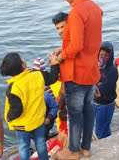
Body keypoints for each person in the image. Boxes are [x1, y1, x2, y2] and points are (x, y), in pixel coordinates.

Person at [53, 0, 102, 159]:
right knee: (88, 109)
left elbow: (75, 47)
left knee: (74, 113)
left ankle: (73, 151)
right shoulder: (95, 8)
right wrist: (62, 49)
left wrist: (59, 57)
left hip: (76, 73)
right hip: (91, 69)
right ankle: (86, 147)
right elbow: (88, 40)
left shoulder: (75, 13)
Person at [0, 52, 59, 160]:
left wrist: (9, 118)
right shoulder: (38, 75)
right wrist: (54, 64)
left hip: (22, 125)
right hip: (38, 119)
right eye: (22, 59)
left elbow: (16, 111)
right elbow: (53, 78)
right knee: (40, 143)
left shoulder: (13, 88)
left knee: (24, 146)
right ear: (23, 65)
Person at [51, 12, 69, 147]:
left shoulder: (74, 44)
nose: (60, 31)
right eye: (57, 28)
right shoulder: (68, 42)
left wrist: (55, 62)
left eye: (63, 27)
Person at [31, 57, 60, 141]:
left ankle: (41, 136)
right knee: (45, 129)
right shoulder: (47, 88)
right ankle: (46, 137)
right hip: (47, 116)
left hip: (35, 117)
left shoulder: (29, 85)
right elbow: (54, 104)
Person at [94, 41, 118, 139]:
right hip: (96, 103)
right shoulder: (96, 67)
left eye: (106, 55)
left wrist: (96, 85)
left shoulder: (112, 70)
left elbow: (105, 88)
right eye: (101, 54)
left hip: (106, 104)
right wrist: (97, 84)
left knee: (100, 129)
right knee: (104, 128)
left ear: (110, 56)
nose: (103, 57)